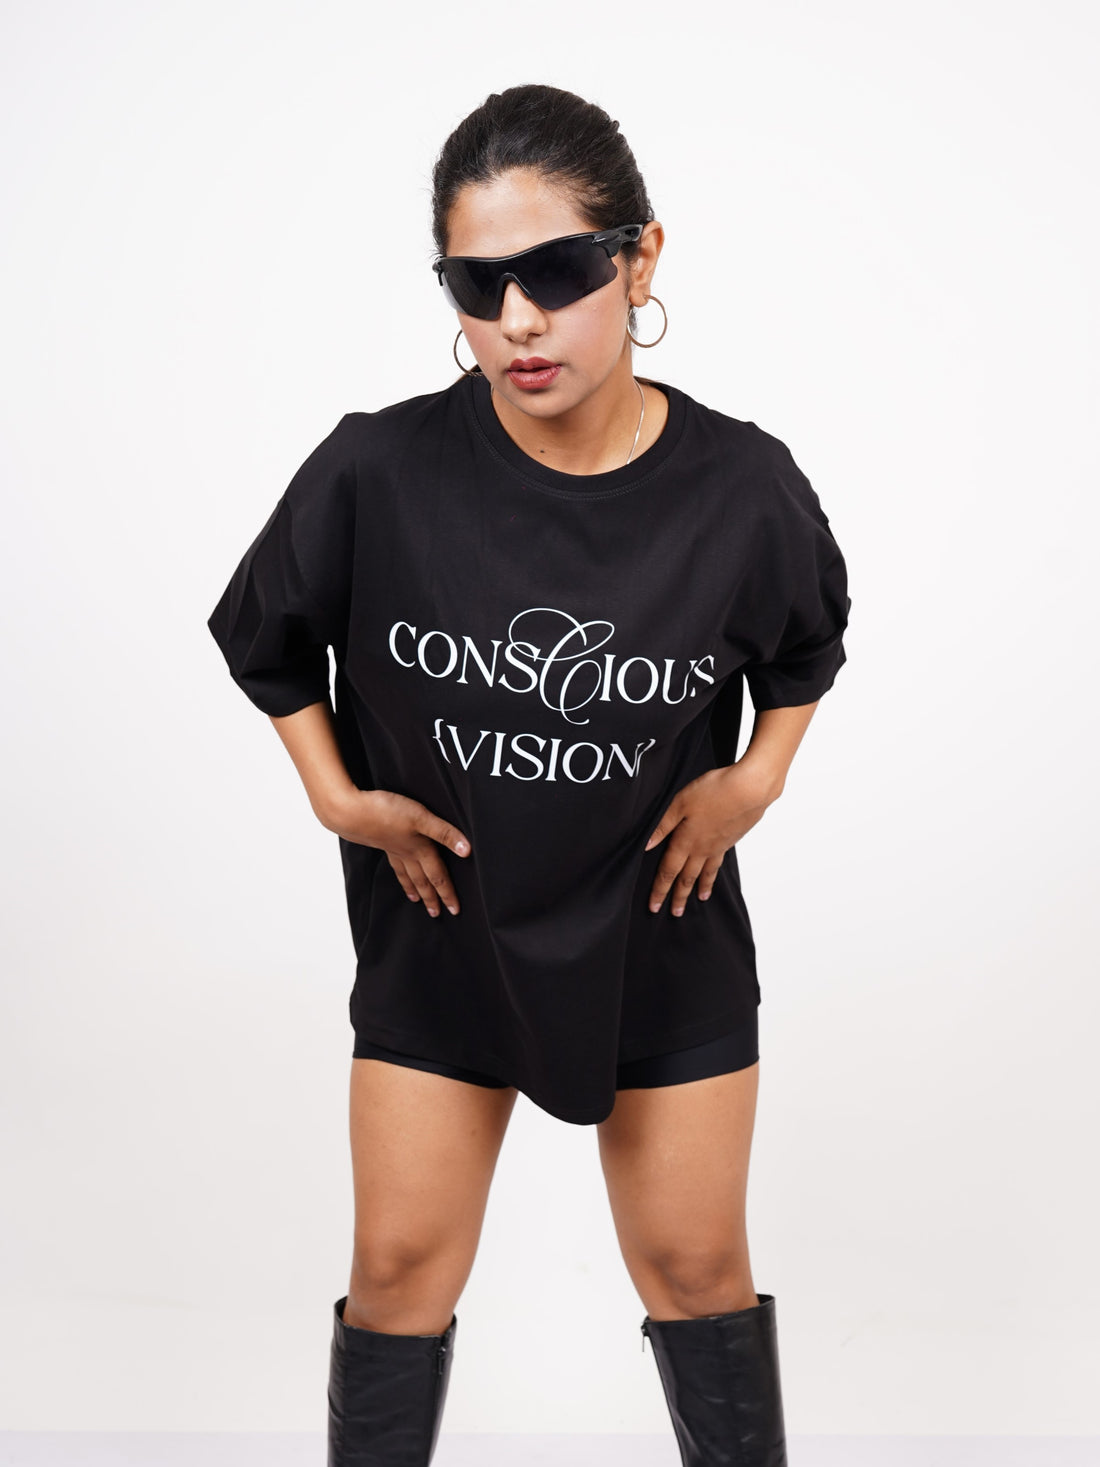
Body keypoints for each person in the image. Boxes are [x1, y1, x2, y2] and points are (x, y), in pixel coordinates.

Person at [207, 82, 850, 1467]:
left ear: (639, 258)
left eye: (556, 272)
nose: (517, 320)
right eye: (476, 282)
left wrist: (755, 781)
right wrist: (335, 795)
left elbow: (807, 647)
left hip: (659, 930)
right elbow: (266, 637)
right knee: (398, 1272)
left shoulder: (739, 488)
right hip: (445, 933)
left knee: (695, 1268)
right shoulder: (380, 469)